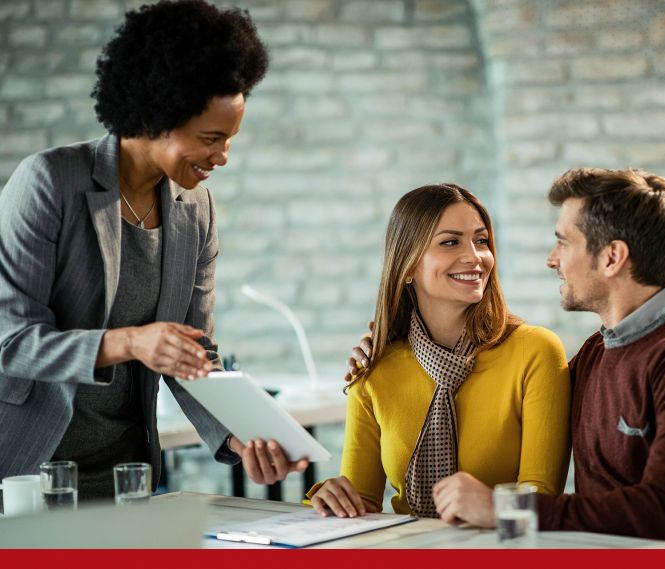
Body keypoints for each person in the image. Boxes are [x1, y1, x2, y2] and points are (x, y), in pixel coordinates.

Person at [0, 0, 305, 499]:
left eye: (229, 140)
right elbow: (11, 342)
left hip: (126, 476)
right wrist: (131, 342)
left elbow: (192, 354)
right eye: (211, 138)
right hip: (27, 471)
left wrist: (238, 435)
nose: (222, 157)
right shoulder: (50, 183)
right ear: (155, 114)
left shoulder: (196, 210)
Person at [430, 168, 665, 546]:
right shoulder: (597, 350)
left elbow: (661, 513)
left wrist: (506, 509)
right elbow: (515, 406)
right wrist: (396, 351)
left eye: (563, 243)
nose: (552, 260)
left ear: (612, 257)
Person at [310, 184, 571, 518]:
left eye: (481, 240)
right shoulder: (375, 368)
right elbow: (361, 506)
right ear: (406, 266)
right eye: (450, 242)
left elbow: (542, 499)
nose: (475, 257)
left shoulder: (535, 352)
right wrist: (331, 498)